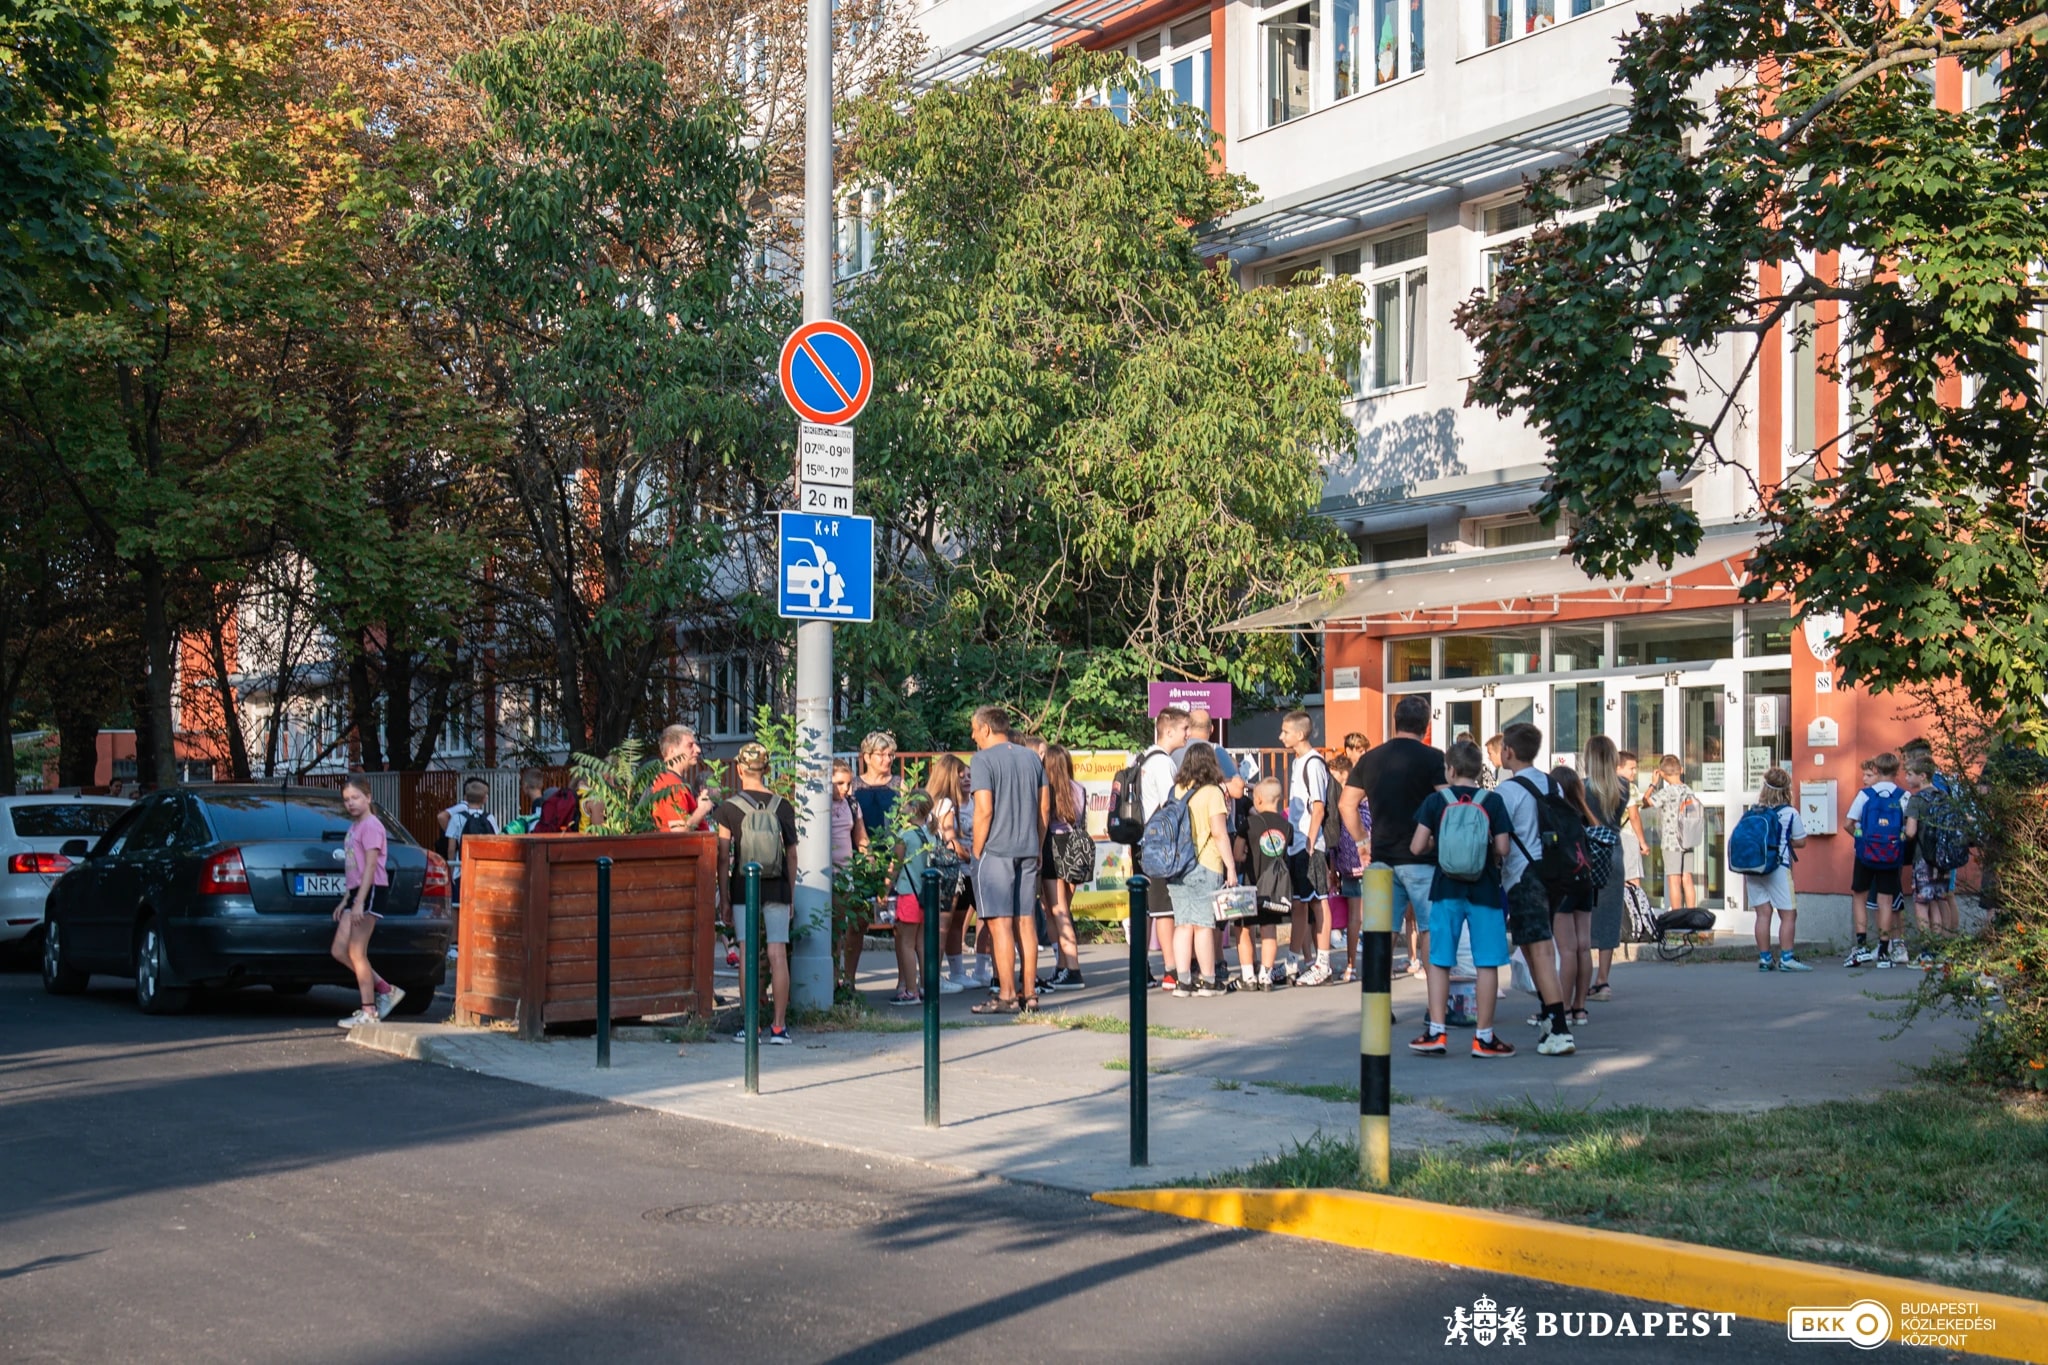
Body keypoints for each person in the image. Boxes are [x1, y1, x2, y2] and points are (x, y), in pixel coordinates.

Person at [1408, 740, 1516, 1057]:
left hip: (1445, 889)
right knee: (1486, 962)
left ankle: (1436, 1033)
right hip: (1484, 890)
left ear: (1450, 769)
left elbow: (1416, 847)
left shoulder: (1436, 801)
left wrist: (1440, 848)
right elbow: (1504, 848)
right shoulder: (1492, 802)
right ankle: (1484, 1037)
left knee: (1440, 961)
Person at [1343, 694, 1445, 983]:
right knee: (1428, 930)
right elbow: (1449, 801)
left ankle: (1378, 1009)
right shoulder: (1434, 758)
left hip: (1383, 859)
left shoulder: (1370, 759)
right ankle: (1435, 1007)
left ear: (1395, 722)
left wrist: (1363, 842)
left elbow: (1346, 804)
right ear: (1425, 727)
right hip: (1423, 859)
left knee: (1381, 933)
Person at [1496, 723, 1576, 1055]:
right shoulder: (1552, 784)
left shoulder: (1507, 792)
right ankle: (1548, 1013)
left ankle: (1559, 1027)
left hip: (1522, 875)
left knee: (1539, 949)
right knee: (1531, 947)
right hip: (1553, 872)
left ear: (1509, 752)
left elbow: (1501, 842)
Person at [715, 743, 800, 1044]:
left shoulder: (728, 808)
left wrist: (724, 898)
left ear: (739, 770)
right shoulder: (783, 806)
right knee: (777, 953)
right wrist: (790, 894)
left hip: (743, 886)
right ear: (766, 769)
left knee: (748, 953)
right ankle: (780, 1027)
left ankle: (750, 1025)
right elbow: (791, 854)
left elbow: (724, 856)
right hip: (777, 885)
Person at [967, 706, 1049, 1014]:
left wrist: (977, 850)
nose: (973, 736)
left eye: (975, 730)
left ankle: (1006, 995)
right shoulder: (1031, 756)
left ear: (986, 729)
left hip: (996, 851)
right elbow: (1044, 808)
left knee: (1000, 925)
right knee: (1025, 921)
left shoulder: (983, 760)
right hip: (1028, 848)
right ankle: (1030, 994)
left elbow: (984, 809)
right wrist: (1038, 845)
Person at [1167, 743, 1236, 997]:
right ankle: (1208, 981)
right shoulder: (1212, 793)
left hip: (1177, 865)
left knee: (1182, 924)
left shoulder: (1177, 790)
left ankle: (1183, 982)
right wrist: (1230, 867)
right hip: (1205, 864)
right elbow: (1219, 833)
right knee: (1203, 925)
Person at [332, 777, 402, 1027]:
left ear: (368, 798)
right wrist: (346, 899)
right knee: (339, 950)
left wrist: (360, 901)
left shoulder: (372, 825)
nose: (351, 803)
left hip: (370, 891)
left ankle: (369, 1011)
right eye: (347, 800)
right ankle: (385, 989)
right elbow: (354, 867)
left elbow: (372, 865)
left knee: (356, 952)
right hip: (356, 892)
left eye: (356, 798)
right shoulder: (354, 827)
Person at [1136, 707, 1190, 988]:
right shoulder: (1163, 763)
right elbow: (1172, 807)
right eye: (1184, 729)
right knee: (1163, 909)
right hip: (1160, 844)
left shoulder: (1143, 757)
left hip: (1142, 841)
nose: (1187, 734)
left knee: (1145, 907)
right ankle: (1171, 969)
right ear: (1168, 730)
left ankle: (1140, 967)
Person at [1280, 709, 1334, 986]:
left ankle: (1323, 962)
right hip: (1297, 843)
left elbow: (1319, 807)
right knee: (1300, 904)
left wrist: (1311, 843)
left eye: (1286, 732)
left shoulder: (1313, 764)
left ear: (1299, 734)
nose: (1281, 737)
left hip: (1309, 844)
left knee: (1317, 900)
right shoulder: (1299, 762)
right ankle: (1293, 961)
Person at [1547, 764, 1599, 1026]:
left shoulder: (1555, 815)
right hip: (1585, 883)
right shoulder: (1585, 816)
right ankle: (1580, 1007)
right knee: (1583, 947)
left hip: (1563, 885)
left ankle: (1564, 1007)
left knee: (1566, 949)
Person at [1744, 768, 1811, 971]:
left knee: (1763, 914)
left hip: (1754, 867)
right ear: (1786, 790)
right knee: (1788, 915)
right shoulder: (1790, 813)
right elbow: (1801, 841)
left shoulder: (1754, 810)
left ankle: (1765, 958)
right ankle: (1787, 958)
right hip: (1778, 867)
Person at [1846, 751, 1908, 968]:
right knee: (1886, 901)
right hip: (1891, 855)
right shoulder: (1903, 796)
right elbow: (1910, 829)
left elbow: (1848, 823)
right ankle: (1883, 949)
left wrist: (1861, 839)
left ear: (1877, 770)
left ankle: (1861, 944)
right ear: (1896, 771)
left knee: (1859, 896)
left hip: (1866, 854)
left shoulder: (1865, 795)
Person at [1040, 743, 1089, 990]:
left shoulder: (1048, 790)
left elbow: (1044, 823)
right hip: (1075, 849)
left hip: (1053, 849)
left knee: (1057, 912)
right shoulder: (1078, 788)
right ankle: (1062, 966)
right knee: (1061, 911)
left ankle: (1072, 968)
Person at [1236, 777, 1292, 989]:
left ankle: (1248, 976)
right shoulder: (1286, 826)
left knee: (1244, 929)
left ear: (1257, 799)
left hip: (1251, 884)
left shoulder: (1249, 824)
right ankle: (1266, 976)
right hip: (1274, 889)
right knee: (1269, 930)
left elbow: (1237, 854)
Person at [926, 753, 976, 991]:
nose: (964, 779)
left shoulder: (930, 801)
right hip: (947, 870)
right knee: (942, 926)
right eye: (960, 775)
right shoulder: (946, 803)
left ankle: (951, 973)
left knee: (948, 923)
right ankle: (934, 979)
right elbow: (951, 840)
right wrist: (972, 857)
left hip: (934, 869)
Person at [1582, 737, 1627, 1001]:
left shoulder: (1581, 787)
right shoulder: (1622, 787)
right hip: (1613, 852)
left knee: (1583, 917)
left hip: (1588, 852)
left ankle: (1583, 979)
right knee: (1610, 916)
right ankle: (1603, 980)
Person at [886, 792, 939, 1005]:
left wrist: (884, 891)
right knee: (922, 944)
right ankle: (927, 987)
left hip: (908, 894)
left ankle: (910, 990)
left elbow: (895, 867)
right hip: (927, 895)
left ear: (914, 809)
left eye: (905, 804)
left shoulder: (905, 835)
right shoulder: (931, 834)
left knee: (906, 944)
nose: (902, 808)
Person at [1902, 755, 1959, 951]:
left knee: (1921, 903)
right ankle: (1939, 947)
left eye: (1910, 774)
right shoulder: (1944, 797)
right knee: (1937, 899)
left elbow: (1910, 832)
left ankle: (1927, 948)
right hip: (1942, 857)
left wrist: (1901, 834)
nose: (1907, 779)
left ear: (1923, 776)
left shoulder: (1916, 800)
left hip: (1923, 858)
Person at [435, 776, 496, 959]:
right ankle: (480, 939)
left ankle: (455, 944)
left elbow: (452, 846)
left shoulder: (458, 818)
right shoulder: (490, 817)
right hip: (484, 868)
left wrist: (453, 866)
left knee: (457, 905)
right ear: (485, 798)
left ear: (465, 797)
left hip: (462, 868)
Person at [830, 758, 871, 991]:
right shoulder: (819, 804)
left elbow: (861, 836)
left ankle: (848, 980)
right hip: (827, 875)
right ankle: (833, 982)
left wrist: (868, 857)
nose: (845, 788)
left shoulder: (852, 804)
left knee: (852, 925)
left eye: (848, 783)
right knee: (834, 932)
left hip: (847, 873)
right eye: (839, 783)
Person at [1643, 754, 1699, 911]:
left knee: (1673, 880)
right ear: (1681, 770)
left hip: (1671, 842)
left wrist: (1653, 784)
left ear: (1661, 774)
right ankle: (1691, 913)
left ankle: (1677, 916)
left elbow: (1645, 803)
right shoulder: (1689, 790)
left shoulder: (1667, 792)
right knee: (1687, 878)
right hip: (1688, 840)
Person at [1325, 753, 1361, 981]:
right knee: (1361, 917)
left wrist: (1333, 865)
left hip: (1351, 862)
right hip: (1357, 862)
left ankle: (1351, 965)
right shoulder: (1363, 796)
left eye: (1334, 776)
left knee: (1355, 917)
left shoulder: (1343, 799)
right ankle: (1357, 965)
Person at [650, 725, 714, 834]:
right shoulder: (669, 784)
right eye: (690, 745)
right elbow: (678, 831)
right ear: (672, 751)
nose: (698, 750)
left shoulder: (671, 780)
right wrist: (702, 810)